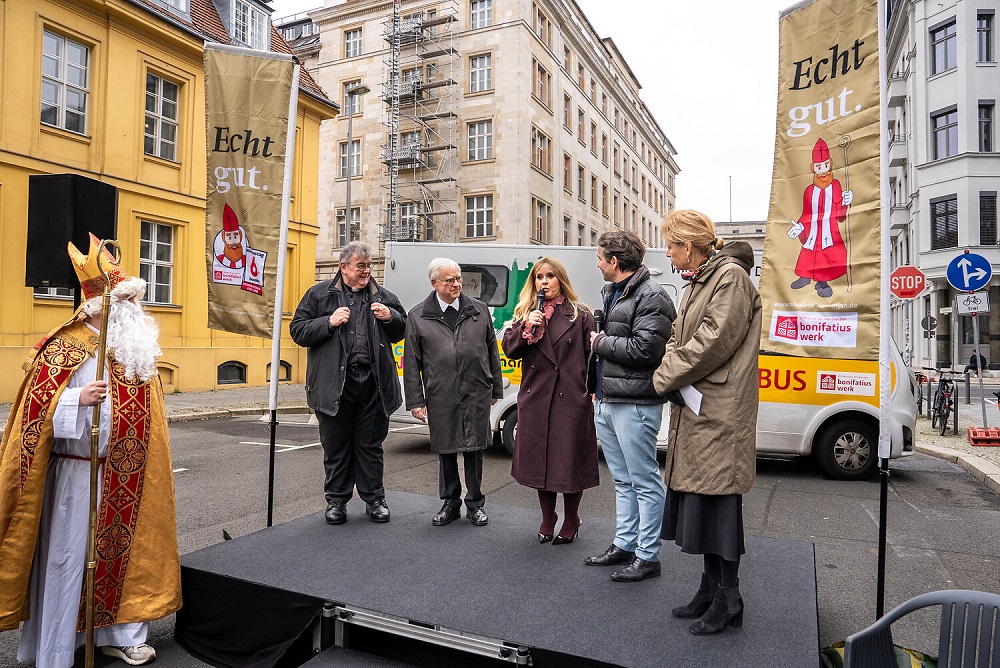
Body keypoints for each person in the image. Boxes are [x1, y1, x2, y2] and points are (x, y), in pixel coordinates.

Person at [0, 234, 181, 667]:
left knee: (126, 557)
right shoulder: (65, 346)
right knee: (69, 558)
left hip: (126, 478)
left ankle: (122, 635)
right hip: (75, 475)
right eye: (127, 302)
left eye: (134, 301)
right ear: (103, 306)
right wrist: (75, 402)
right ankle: (59, 646)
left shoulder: (136, 350)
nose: (136, 310)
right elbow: (32, 414)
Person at [653, 210, 762, 635]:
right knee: (703, 504)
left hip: (720, 411)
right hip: (702, 408)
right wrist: (671, 365)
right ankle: (711, 587)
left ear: (689, 245)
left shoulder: (729, 278)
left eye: (671, 245)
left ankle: (729, 596)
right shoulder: (703, 279)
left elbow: (712, 341)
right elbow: (678, 337)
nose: (667, 252)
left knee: (719, 506)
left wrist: (665, 374)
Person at [290, 241, 406, 525]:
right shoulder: (319, 295)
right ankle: (336, 501)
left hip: (374, 383)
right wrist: (327, 322)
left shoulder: (383, 296)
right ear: (343, 267)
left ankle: (374, 499)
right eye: (360, 266)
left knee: (370, 445)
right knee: (336, 446)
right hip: (334, 384)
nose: (367, 271)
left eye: (369, 266)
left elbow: (403, 329)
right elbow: (297, 330)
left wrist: (391, 317)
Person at [585, 231, 676, 581]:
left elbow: (645, 350)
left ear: (614, 261)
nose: (597, 264)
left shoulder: (652, 295)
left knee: (644, 481)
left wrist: (600, 342)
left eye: (600, 258)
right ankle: (624, 544)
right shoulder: (614, 291)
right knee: (623, 481)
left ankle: (648, 555)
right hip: (609, 399)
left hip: (635, 402)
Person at [501, 258, 600, 544]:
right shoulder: (525, 313)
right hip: (536, 399)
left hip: (570, 398)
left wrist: (592, 390)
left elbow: (592, 359)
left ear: (561, 279)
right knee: (539, 462)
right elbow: (510, 350)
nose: (544, 282)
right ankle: (548, 517)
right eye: (539, 277)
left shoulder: (580, 314)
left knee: (569, 462)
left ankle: (571, 518)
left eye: (550, 276)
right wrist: (526, 328)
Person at [404, 258, 503, 527]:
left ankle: (475, 504)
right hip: (441, 392)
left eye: (459, 278)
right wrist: (416, 401)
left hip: (476, 390)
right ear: (434, 283)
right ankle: (450, 503)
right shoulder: (418, 316)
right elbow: (411, 362)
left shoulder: (479, 310)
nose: (457, 284)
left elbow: (492, 352)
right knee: (446, 448)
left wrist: (495, 387)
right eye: (450, 280)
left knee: (475, 448)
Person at [787, 137, 855, 298]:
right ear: (813, 168)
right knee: (809, 250)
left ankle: (822, 283)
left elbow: (840, 215)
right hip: (813, 229)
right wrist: (800, 227)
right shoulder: (809, 190)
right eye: (819, 167)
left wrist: (846, 201)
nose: (822, 170)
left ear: (829, 164)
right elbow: (806, 213)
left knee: (827, 253)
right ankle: (805, 277)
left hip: (829, 229)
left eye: (825, 165)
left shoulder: (836, 185)